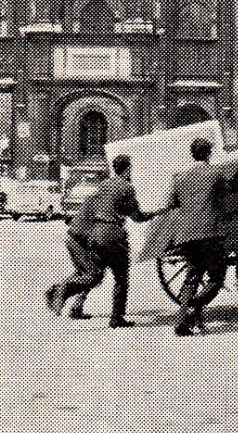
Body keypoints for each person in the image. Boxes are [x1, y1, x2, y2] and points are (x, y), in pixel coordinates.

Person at [48, 155, 158, 328]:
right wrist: (156, 212)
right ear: (128, 169)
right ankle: (116, 318)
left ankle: (65, 295)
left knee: (94, 274)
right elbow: (137, 216)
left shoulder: (104, 185)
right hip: (114, 236)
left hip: (97, 235)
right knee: (121, 278)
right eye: (131, 169)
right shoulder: (127, 187)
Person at [167, 138, 227, 337]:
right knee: (217, 278)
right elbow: (225, 199)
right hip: (209, 233)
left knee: (192, 276)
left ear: (192, 154)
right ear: (209, 153)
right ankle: (192, 311)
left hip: (185, 234)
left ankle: (181, 316)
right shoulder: (216, 174)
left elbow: (172, 203)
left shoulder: (179, 177)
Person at [46, 192, 102, 319]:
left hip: (75, 238)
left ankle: (76, 307)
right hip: (81, 240)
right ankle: (59, 291)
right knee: (93, 274)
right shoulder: (105, 200)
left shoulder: (96, 197)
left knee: (85, 273)